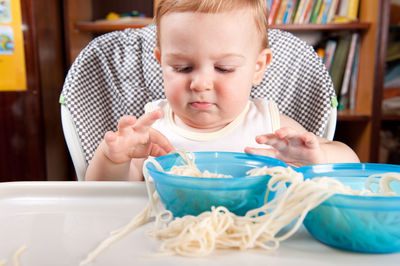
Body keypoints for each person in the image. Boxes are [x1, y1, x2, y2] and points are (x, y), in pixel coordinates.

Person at [85, 0, 360, 181]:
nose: (201, 83)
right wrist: (113, 158)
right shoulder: (153, 132)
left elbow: (350, 163)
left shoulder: (269, 127)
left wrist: (319, 159)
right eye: (181, 68)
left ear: (258, 67)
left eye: (224, 68)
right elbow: (105, 195)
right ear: (162, 62)